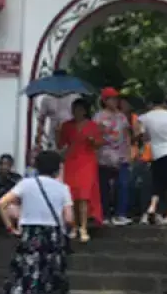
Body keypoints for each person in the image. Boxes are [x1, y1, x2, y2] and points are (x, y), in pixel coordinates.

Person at [0, 150, 74, 294]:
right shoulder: (62, 188)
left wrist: (11, 227)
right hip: (52, 240)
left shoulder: (26, 184)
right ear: (57, 168)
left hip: (29, 237)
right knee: (50, 287)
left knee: (20, 283)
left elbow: (1, 203)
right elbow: (69, 218)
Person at [58, 98, 103, 242]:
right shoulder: (66, 126)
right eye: (74, 109)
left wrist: (92, 141)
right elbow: (60, 145)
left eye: (79, 109)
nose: (76, 112)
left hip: (87, 162)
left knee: (84, 195)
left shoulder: (92, 126)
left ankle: (83, 227)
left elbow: (99, 144)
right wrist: (57, 132)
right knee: (72, 196)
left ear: (84, 111)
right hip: (71, 162)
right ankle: (74, 226)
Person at [95, 87, 133, 226]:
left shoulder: (121, 116)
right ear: (105, 100)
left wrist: (129, 152)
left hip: (121, 155)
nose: (115, 101)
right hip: (104, 156)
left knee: (122, 184)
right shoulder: (99, 117)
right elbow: (95, 135)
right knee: (104, 187)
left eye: (116, 99)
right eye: (112, 99)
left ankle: (120, 214)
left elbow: (127, 135)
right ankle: (104, 214)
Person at [35, 70, 81, 151]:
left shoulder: (75, 97)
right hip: (53, 138)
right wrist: (39, 138)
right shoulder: (47, 99)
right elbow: (41, 120)